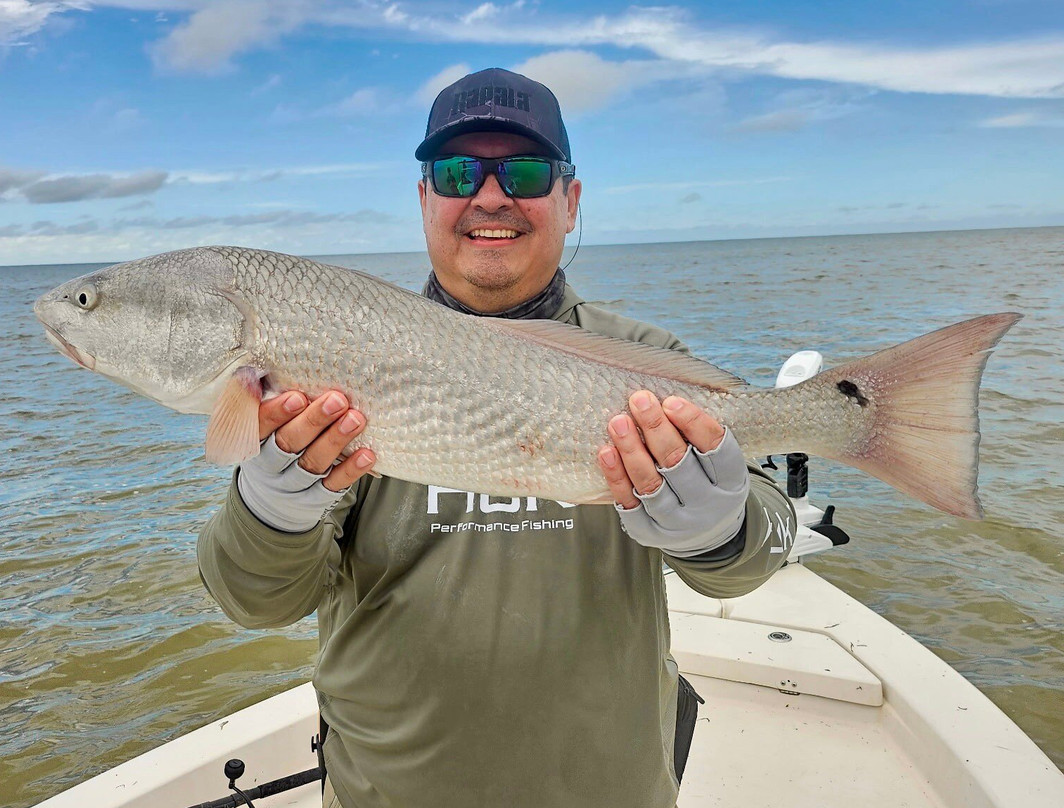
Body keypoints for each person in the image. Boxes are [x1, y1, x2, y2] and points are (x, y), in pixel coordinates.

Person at [197, 67, 796, 808]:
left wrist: (722, 531)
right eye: (456, 173)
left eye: (524, 172)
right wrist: (269, 510)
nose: (489, 195)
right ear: (424, 200)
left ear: (569, 202)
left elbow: (757, 555)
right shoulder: (335, 363)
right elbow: (256, 601)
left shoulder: (647, 357)